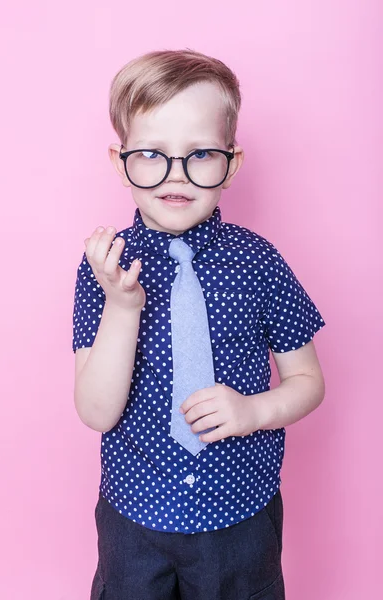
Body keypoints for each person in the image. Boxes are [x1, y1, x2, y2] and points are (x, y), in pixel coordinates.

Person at [72, 48, 326, 600]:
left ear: (230, 163)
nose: (176, 174)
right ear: (121, 163)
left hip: (240, 511)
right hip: (137, 515)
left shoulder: (259, 261)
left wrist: (254, 410)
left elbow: (309, 382)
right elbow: (95, 411)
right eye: (152, 154)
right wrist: (122, 307)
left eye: (201, 153)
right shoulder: (105, 267)